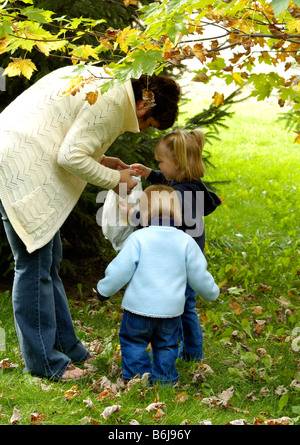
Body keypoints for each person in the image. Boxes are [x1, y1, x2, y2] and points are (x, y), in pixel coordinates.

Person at [0, 65, 181, 381]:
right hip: (19, 168)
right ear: (145, 104)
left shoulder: (107, 82)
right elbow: (69, 157)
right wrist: (114, 179)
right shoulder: (112, 101)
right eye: (147, 123)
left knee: (48, 261)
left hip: (21, 157)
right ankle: (45, 363)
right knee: (33, 264)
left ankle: (69, 348)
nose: (139, 130)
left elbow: (64, 133)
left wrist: (103, 162)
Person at [96, 185, 219, 385]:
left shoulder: (138, 238)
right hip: (170, 312)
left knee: (134, 342)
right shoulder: (186, 241)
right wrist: (212, 293)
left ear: (143, 215)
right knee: (166, 345)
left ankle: (137, 378)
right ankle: (165, 379)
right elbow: (199, 275)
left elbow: (119, 270)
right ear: (178, 214)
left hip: (137, 309)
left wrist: (103, 290)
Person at [131, 129, 221, 361]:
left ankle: (192, 352)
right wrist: (151, 173)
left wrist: (132, 214)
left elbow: (155, 214)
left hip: (182, 263)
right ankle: (186, 347)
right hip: (187, 259)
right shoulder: (191, 184)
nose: (159, 165)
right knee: (182, 304)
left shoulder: (179, 195)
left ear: (178, 163)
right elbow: (168, 180)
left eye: (161, 162)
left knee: (185, 307)